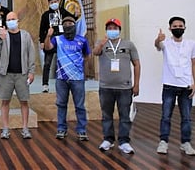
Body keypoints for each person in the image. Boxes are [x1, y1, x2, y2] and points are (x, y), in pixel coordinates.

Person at [93, 18, 140, 154]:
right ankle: (108, 139)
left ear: (119, 30)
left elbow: (137, 64)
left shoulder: (128, 44)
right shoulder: (101, 42)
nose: (112, 30)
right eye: (110, 28)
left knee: (125, 116)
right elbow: (95, 53)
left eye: (115, 28)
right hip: (105, 87)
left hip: (124, 88)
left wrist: (136, 84)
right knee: (106, 114)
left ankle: (124, 141)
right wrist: (101, 45)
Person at [154, 16, 195, 156]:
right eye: (174, 26)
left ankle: (185, 143)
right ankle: (163, 142)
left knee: (186, 117)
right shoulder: (165, 43)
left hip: (186, 86)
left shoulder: (192, 44)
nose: (178, 28)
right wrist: (158, 39)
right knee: (166, 116)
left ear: (184, 28)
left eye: (180, 26)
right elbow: (157, 45)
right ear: (170, 28)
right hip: (169, 86)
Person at [44, 16, 91, 141]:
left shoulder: (82, 40)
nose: (68, 25)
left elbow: (87, 56)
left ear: (74, 25)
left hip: (77, 79)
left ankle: (81, 130)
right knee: (61, 104)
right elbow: (47, 48)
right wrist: (48, 36)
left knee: (80, 105)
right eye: (65, 24)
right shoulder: (57, 39)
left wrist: (80, 68)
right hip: (61, 78)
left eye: (70, 23)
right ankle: (61, 129)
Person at [0, 12, 36, 139]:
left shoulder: (25, 35)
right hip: (6, 74)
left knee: (24, 101)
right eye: (8, 19)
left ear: (18, 20)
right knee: (5, 101)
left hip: (22, 74)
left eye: (13, 19)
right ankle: (5, 129)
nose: (11, 21)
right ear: (6, 22)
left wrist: (31, 71)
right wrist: (0, 37)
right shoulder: (3, 33)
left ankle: (25, 128)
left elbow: (31, 54)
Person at [39, 0, 75, 93]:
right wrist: (42, 41)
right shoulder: (46, 15)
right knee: (47, 63)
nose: (54, 4)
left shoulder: (63, 12)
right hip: (50, 40)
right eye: (51, 3)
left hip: (62, 40)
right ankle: (45, 85)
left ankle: (67, 81)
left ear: (58, 2)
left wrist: (76, 14)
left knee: (64, 62)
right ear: (48, 4)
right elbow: (42, 29)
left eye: (55, 2)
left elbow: (72, 18)